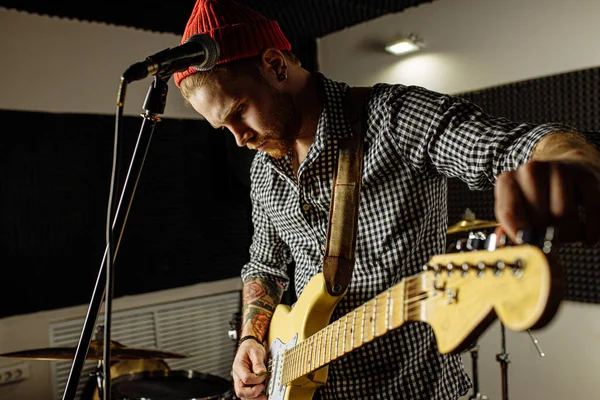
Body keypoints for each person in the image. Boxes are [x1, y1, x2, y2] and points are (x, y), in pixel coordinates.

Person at [172, 1, 600, 399]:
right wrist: (251, 337)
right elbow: (265, 264)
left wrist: (569, 160)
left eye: (239, 112)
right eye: (223, 128)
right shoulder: (265, 171)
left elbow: (511, 146)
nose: (240, 139)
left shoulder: (393, 118)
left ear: (274, 65)